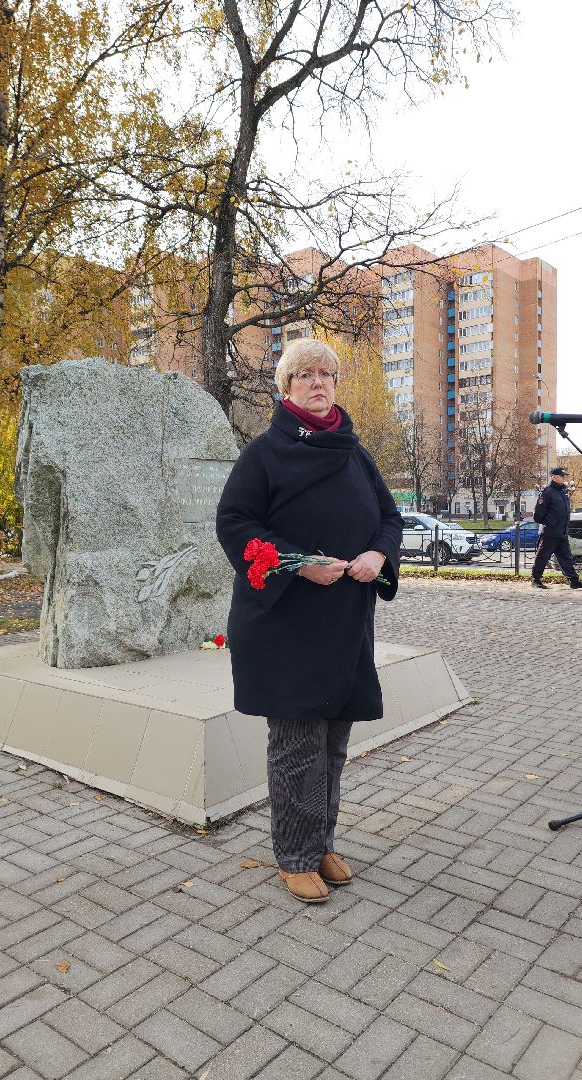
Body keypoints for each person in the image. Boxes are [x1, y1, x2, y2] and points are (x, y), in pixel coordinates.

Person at [216, 340, 403, 903]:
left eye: (326, 373)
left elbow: (389, 517)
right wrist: (299, 564)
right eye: (305, 375)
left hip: (345, 621)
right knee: (297, 743)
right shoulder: (264, 453)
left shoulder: (355, 452)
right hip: (286, 623)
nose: (318, 382)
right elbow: (235, 522)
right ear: (286, 387)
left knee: (333, 742)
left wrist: (379, 554)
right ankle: (294, 855)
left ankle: (319, 842)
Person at [531, 466, 581, 590]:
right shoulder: (547, 492)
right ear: (553, 477)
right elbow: (538, 515)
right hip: (551, 532)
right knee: (543, 556)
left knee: (566, 557)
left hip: (562, 532)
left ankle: (574, 580)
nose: (564, 478)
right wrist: (550, 524)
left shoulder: (563, 492)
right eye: (562, 476)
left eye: (564, 476)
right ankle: (535, 579)